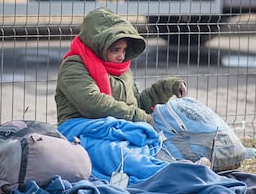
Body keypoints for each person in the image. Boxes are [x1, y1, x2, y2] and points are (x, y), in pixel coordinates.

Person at [55, 7, 187, 126]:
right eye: (115, 50)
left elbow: (137, 104)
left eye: (124, 50)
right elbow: (93, 104)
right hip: (80, 128)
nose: (121, 56)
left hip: (115, 126)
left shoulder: (121, 68)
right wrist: (143, 119)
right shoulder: (74, 66)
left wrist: (167, 87)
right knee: (128, 147)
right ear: (98, 45)